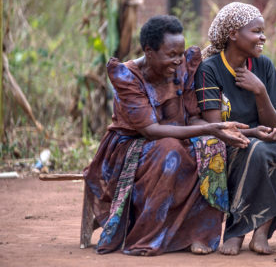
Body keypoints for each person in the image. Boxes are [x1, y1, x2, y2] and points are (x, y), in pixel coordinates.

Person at [83, 15, 250, 256]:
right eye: (170, 54)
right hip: (131, 147)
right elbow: (150, 131)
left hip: (179, 139)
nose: (178, 60)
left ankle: (197, 233)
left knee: (211, 146)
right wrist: (208, 129)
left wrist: (218, 132)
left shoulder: (183, 68)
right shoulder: (128, 77)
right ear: (149, 51)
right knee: (170, 149)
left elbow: (193, 117)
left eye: (180, 53)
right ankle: (148, 237)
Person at [195, 2, 276, 255]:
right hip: (224, 143)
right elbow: (215, 125)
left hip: (257, 141)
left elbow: (272, 124)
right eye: (256, 31)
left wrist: (260, 90)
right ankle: (239, 231)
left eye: (263, 32)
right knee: (259, 149)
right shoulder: (210, 69)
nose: (263, 37)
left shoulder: (264, 67)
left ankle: (261, 231)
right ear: (233, 34)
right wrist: (252, 133)